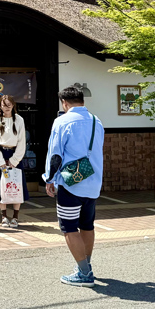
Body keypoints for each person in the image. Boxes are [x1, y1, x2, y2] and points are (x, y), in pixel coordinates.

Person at [43, 85, 105, 287]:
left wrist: (49, 179)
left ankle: (84, 274)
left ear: (65, 103)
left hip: (71, 183)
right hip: (93, 182)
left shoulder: (62, 122)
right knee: (87, 225)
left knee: (69, 227)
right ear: (83, 101)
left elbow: (55, 154)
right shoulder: (97, 122)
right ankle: (86, 266)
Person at [0, 94, 27, 228]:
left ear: (13, 105)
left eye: (9, 104)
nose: (6, 107)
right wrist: (1, 162)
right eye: (4, 104)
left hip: (14, 154)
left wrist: (14, 161)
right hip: (0, 153)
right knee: (1, 188)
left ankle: (15, 217)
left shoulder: (19, 120)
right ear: (0, 105)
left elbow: (22, 142)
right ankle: (4, 216)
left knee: (16, 186)